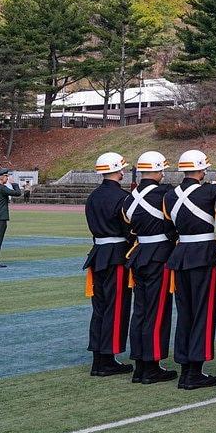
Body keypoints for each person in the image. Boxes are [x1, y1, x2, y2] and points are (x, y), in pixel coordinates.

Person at [165, 149, 216, 391]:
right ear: (202, 169)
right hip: (203, 255)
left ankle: (185, 367)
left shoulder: (170, 195)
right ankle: (194, 371)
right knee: (202, 312)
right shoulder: (210, 191)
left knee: (186, 313)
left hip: (181, 256)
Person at [124, 150, 178, 385]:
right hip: (159, 254)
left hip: (139, 255)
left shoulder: (129, 197)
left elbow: (129, 226)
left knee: (141, 311)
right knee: (157, 312)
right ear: (158, 170)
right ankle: (152, 365)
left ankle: (139, 364)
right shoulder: (164, 194)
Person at [84, 152, 134, 377]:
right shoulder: (122, 197)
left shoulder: (93, 196)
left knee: (100, 309)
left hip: (98, 253)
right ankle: (108, 358)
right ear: (118, 170)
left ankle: (99, 357)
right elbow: (128, 229)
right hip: (116, 254)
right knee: (116, 307)